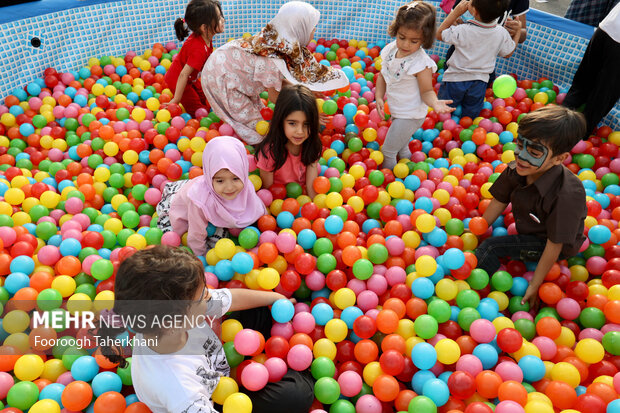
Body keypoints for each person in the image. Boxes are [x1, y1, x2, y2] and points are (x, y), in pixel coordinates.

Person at [98, 245, 315, 413]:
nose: (209, 295)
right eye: (202, 297)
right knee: (295, 396)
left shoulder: (171, 318)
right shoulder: (179, 387)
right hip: (215, 400)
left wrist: (278, 299)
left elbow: (232, 298)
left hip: (220, 370)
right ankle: (302, 371)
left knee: (260, 310)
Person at [475, 106, 587, 308]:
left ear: (559, 159)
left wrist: (535, 284)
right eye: (520, 144)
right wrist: (478, 229)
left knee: (489, 248)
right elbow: (499, 200)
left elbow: (555, 243)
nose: (521, 156)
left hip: (547, 242)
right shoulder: (517, 169)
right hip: (530, 225)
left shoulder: (567, 195)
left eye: (534, 152)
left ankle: (492, 295)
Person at [201, 1, 348, 145]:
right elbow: (274, 96)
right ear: (299, 28)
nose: (315, 32)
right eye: (312, 28)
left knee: (257, 114)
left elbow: (277, 82)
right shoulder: (274, 58)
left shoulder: (278, 41)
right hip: (220, 75)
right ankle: (259, 151)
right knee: (256, 127)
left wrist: (305, 90)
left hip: (227, 68)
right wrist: (306, 110)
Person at [376, 1, 455, 170]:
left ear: (424, 39)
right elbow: (383, 75)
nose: (405, 45)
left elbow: (426, 90)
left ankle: (388, 183)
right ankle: (410, 168)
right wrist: (378, 97)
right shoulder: (390, 50)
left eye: (414, 41)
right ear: (396, 31)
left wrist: (435, 103)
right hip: (397, 110)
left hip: (410, 115)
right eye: (402, 37)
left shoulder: (421, 64)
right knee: (402, 145)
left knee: (388, 150)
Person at [156, 136, 267, 256]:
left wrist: (267, 228)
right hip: (187, 211)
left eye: (235, 178)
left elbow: (258, 208)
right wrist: (200, 258)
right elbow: (195, 234)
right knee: (215, 243)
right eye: (220, 181)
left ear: (244, 173)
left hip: (210, 211)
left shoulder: (245, 185)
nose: (229, 187)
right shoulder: (200, 201)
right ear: (209, 178)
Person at [437, 0, 520, 119]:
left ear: (474, 11)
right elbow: (508, 53)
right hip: (479, 83)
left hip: (454, 79)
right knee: (471, 117)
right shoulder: (501, 33)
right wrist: (517, 32)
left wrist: (455, 13)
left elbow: (439, 34)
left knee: (444, 111)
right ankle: (465, 133)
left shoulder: (463, 30)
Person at [563, 2, 620, 138]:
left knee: (582, 83)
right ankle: (576, 137)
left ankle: (557, 122)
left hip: (607, 27)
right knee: (602, 97)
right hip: (613, 36)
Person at [254, 85, 321, 199]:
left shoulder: (311, 146)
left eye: (306, 124)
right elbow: (268, 193)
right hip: (279, 204)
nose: (300, 131)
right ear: (281, 121)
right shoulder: (270, 152)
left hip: (302, 200)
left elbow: (311, 188)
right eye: (292, 123)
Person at [164, 0, 224, 116]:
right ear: (204, 27)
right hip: (179, 80)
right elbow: (183, 74)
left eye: (221, 15)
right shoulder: (198, 49)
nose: (222, 20)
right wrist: (176, 99)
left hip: (191, 79)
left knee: (206, 98)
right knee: (199, 113)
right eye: (218, 18)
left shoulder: (205, 37)